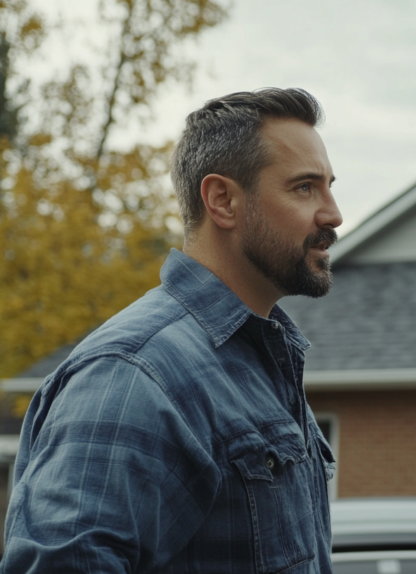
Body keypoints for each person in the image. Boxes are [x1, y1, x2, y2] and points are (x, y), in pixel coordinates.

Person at [1, 88, 343, 572]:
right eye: (305, 188)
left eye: (328, 186)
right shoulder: (132, 374)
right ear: (222, 201)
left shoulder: (258, 359)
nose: (333, 214)